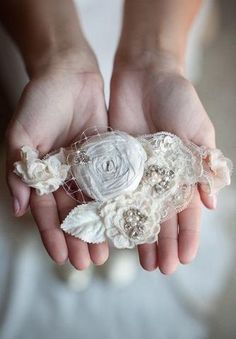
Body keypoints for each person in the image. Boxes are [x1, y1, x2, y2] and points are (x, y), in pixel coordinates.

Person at [0, 0, 216, 274]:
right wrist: (57, 57)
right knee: (43, 130)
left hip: (163, 15)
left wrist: (156, 56)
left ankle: (129, 229)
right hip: (39, 20)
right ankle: (99, 235)